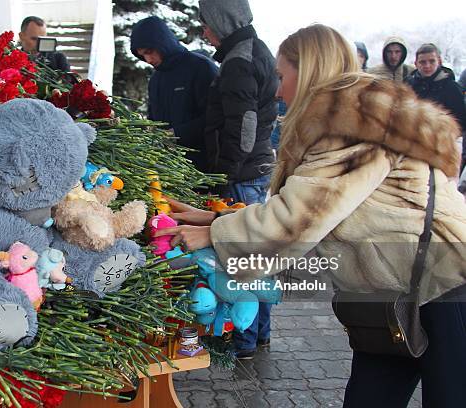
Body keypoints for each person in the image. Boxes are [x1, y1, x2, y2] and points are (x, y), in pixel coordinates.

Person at [156, 24, 466, 407]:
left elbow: (301, 217)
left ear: (310, 69)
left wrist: (213, 236)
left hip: (445, 286)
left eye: (282, 76)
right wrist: (211, 219)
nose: (277, 89)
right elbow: (304, 205)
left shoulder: (353, 124)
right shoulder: (347, 119)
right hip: (394, 293)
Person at [198, 0, 278, 359]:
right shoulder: (255, 50)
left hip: (242, 176)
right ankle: (259, 334)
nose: (204, 31)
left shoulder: (238, 62)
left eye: (207, 22)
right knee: (257, 258)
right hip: (256, 170)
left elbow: (243, 129)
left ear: (223, 21)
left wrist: (223, 175)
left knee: (240, 261)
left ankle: (241, 340)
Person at [130, 16, 218, 172]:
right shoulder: (156, 79)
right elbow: (154, 119)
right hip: (167, 167)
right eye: (142, 55)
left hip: (202, 167)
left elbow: (215, 117)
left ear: (162, 43)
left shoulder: (201, 68)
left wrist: (176, 134)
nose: (148, 59)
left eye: (149, 52)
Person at [407, 43, 466, 174]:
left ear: (439, 61)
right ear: (416, 63)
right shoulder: (408, 85)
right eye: (423, 62)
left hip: (441, 147)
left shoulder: (451, 87)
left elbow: (461, 121)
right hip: (411, 145)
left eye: (431, 61)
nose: (427, 66)